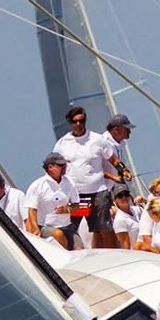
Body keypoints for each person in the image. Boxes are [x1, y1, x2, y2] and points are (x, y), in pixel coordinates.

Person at [53, 107, 121, 249]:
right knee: (70, 228)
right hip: (76, 196)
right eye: (74, 122)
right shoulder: (62, 143)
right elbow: (54, 166)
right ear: (69, 122)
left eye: (81, 121)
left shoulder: (97, 139)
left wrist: (123, 170)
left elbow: (113, 159)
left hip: (97, 192)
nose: (78, 124)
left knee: (103, 228)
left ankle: (113, 257)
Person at [24, 152, 78, 249]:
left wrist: (67, 209)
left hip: (67, 226)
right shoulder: (37, 185)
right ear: (50, 167)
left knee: (80, 249)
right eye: (61, 165)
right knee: (58, 234)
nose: (65, 167)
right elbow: (32, 210)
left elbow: (76, 205)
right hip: (45, 226)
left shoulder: (69, 182)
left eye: (65, 164)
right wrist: (36, 229)